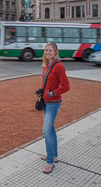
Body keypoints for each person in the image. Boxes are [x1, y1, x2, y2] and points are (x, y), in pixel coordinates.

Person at [36, 42, 70, 174]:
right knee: (50, 129)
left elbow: (66, 86)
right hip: (45, 101)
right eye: (46, 50)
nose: (48, 53)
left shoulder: (59, 66)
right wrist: (42, 90)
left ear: (55, 52)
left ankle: (49, 162)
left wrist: (53, 92)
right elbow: (47, 83)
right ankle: (54, 156)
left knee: (46, 131)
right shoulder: (46, 65)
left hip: (54, 103)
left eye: (50, 50)